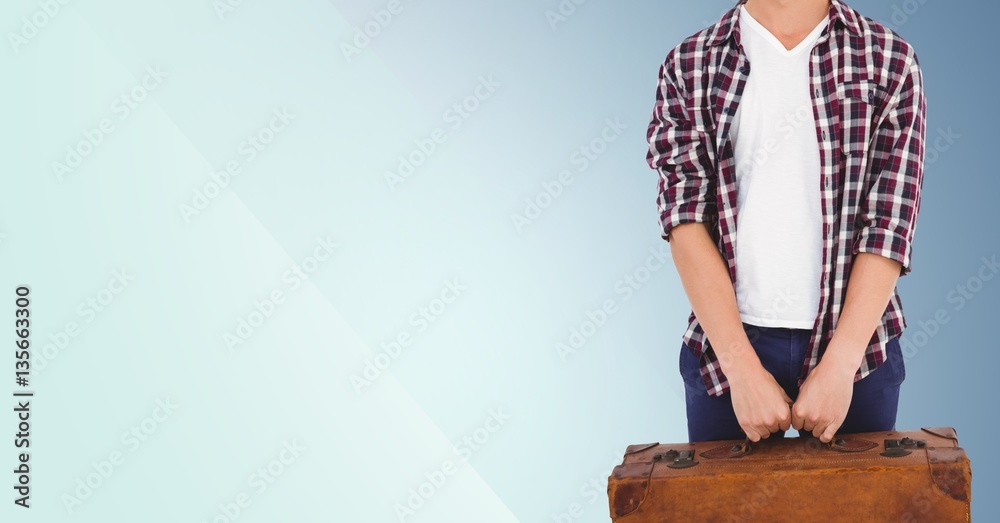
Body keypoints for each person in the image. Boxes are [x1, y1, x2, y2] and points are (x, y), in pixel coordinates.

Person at [646, 0, 926, 443]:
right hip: (727, 348)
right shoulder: (690, 64)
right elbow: (685, 219)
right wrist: (740, 369)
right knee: (720, 511)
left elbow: (889, 223)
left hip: (859, 348)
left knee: (859, 510)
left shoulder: (888, 58)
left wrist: (840, 364)